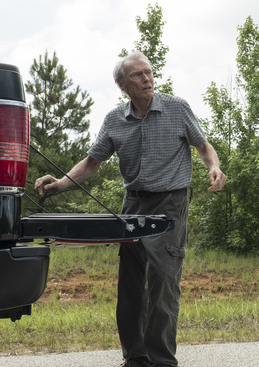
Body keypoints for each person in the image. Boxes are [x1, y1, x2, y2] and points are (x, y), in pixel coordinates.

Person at [35, 52, 226, 367]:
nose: (147, 79)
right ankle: (135, 357)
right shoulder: (114, 120)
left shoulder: (177, 108)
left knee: (164, 279)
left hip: (170, 203)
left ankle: (161, 360)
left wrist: (214, 167)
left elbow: (203, 146)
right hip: (133, 203)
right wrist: (60, 184)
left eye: (149, 72)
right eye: (138, 75)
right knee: (131, 284)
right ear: (122, 85)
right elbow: (93, 162)